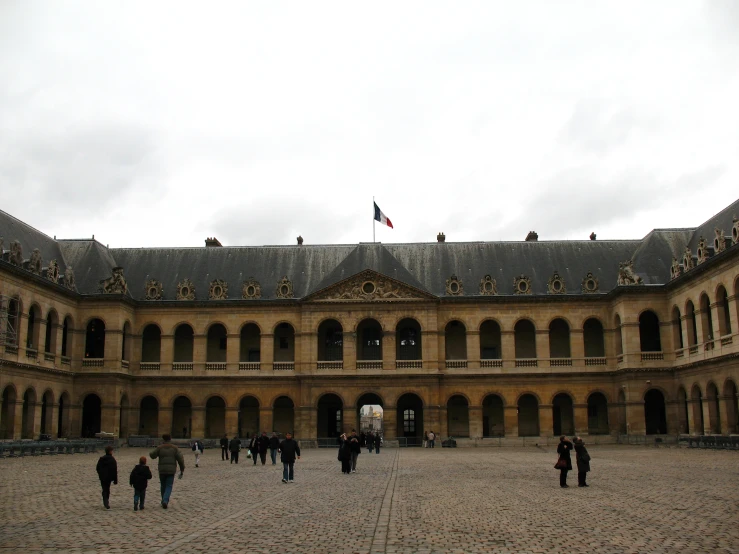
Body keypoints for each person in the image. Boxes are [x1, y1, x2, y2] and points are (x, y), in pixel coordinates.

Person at [150, 434, 185, 509]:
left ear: (163, 439)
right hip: (171, 470)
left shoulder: (160, 447)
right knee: (169, 486)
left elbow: (152, 455)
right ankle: (165, 500)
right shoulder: (174, 448)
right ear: (170, 439)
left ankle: (163, 500)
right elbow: (180, 460)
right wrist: (182, 469)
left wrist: (152, 451)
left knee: (163, 485)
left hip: (162, 469)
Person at [96, 445, 118, 509]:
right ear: (110, 451)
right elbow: (114, 470)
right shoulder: (112, 460)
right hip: (109, 477)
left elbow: (97, 468)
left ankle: (105, 500)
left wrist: (100, 474)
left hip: (103, 477)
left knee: (104, 489)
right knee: (107, 489)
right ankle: (106, 501)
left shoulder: (102, 459)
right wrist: (115, 479)